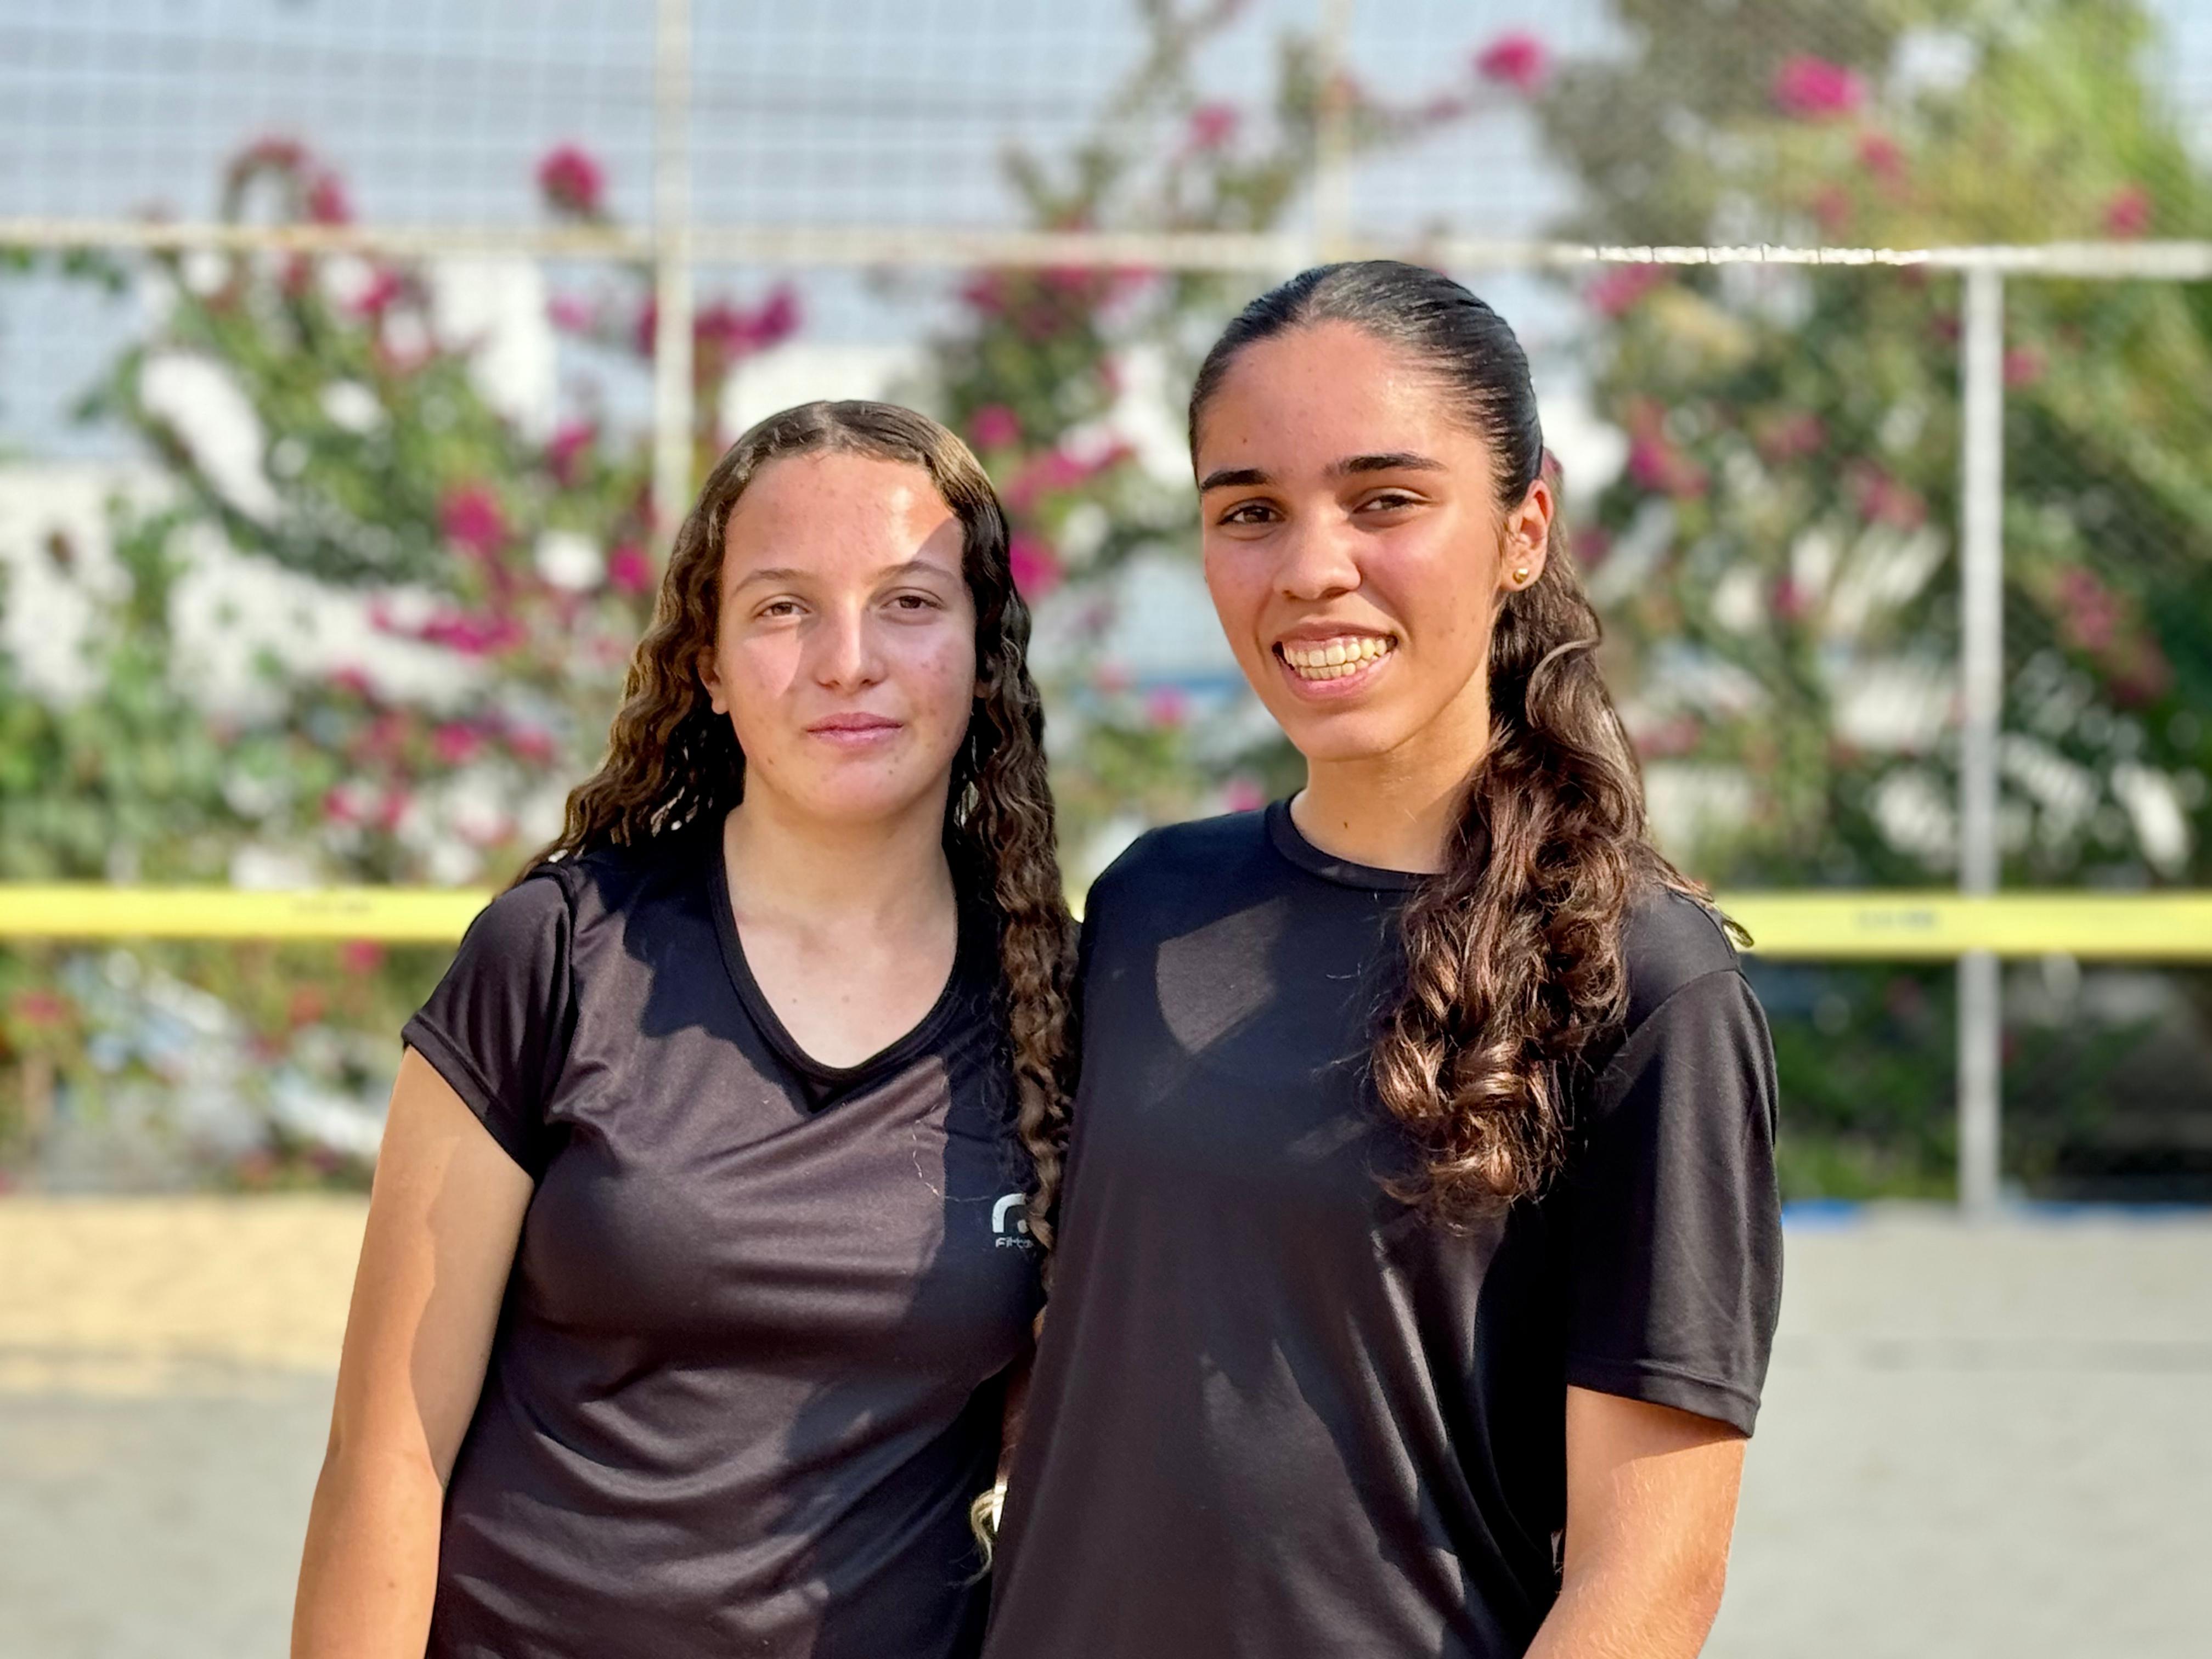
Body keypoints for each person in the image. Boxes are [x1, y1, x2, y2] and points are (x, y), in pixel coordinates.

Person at [983, 262, 1783, 1658]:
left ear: (1524, 530)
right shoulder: (1149, 904)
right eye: (1250, 511)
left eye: (1386, 500)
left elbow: (1649, 1581)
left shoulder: (1645, 980)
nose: (1311, 567)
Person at [292, 400, 1075, 1659]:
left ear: (984, 649)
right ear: (707, 663)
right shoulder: (558, 955)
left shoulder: (1059, 1008)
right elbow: (387, 1455)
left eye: (909, 603)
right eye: (783, 608)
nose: (848, 660)